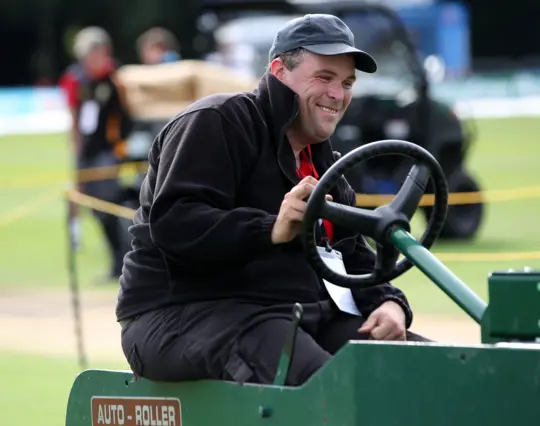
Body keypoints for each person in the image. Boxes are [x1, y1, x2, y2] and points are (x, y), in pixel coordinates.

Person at [117, 14, 430, 386]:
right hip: (177, 313)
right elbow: (175, 225)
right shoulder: (218, 122)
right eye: (324, 77)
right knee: (326, 384)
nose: (338, 94)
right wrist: (271, 228)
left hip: (290, 313)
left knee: (425, 373)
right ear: (280, 72)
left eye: (347, 83)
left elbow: (350, 254)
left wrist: (388, 301)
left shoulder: (326, 165)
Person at [58, 26, 133, 282]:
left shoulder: (114, 78)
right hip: (87, 152)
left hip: (107, 151)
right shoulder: (77, 79)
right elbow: (75, 116)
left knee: (109, 203)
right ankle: (116, 262)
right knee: (96, 208)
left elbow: (125, 116)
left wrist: (119, 146)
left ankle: (123, 261)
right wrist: (77, 149)